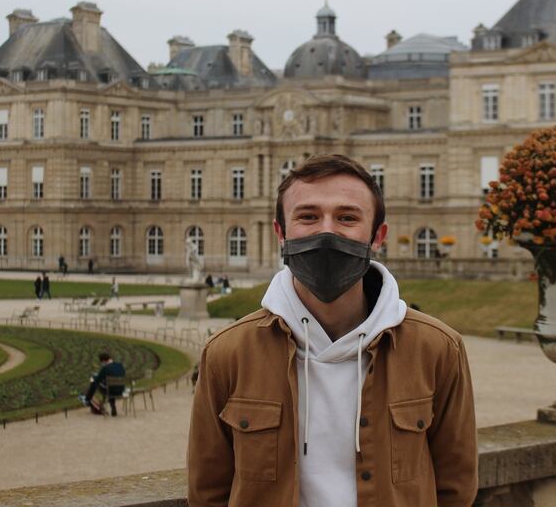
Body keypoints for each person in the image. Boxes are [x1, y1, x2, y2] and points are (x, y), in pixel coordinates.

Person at [188, 154, 478, 506]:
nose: (327, 231)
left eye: (347, 217)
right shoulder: (226, 354)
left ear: (377, 236)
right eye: (308, 216)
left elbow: (456, 487)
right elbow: (208, 493)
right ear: (281, 232)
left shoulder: (438, 349)